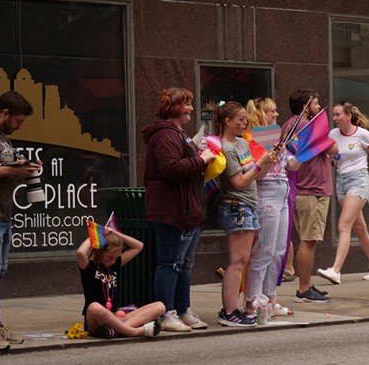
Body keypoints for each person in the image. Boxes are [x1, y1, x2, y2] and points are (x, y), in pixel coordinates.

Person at [142, 87, 218, 334]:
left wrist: (198, 153)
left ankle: (182, 310)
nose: (192, 109)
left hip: (187, 209)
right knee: (170, 263)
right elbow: (170, 169)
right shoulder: (164, 135)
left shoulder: (179, 133)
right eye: (187, 105)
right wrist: (201, 159)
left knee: (184, 263)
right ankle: (166, 313)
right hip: (173, 210)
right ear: (174, 108)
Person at [0, 90, 41, 350]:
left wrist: (24, 169)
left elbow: (3, 171)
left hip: (3, 215)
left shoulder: (2, 137)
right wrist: (13, 169)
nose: (20, 125)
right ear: (4, 113)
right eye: (18, 120)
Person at [214, 101, 279, 327]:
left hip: (248, 206)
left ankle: (233, 309)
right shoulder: (226, 147)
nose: (244, 123)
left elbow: (255, 176)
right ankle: (229, 311)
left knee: (243, 260)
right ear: (227, 121)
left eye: (245, 119)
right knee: (237, 261)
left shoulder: (242, 143)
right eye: (240, 119)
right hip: (236, 206)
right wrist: (260, 164)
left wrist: (268, 161)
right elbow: (239, 182)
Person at [317, 101, 369, 286]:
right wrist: (331, 160)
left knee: (343, 225)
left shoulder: (363, 134)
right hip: (341, 181)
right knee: (359, 228)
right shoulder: (333, 134)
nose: (334, 119)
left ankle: (335, 270)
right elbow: (333, 158)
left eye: (338, 115)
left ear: (348, 116)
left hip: (359, 181)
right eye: (333, 115)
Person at [244, 97, 299, 319]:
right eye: (271, 111)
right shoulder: (254, 140)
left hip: (282, 193)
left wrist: (303, 149)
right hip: (266, 193)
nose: (276, 115)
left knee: (278, 252)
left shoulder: (275, 138)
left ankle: (269, 297)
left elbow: (293, 165)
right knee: (264, 251)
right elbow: (258, 174)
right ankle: (253, 300)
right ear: (259, 114)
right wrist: (271, 156)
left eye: (276, 111)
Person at [284, 90, 332, 304]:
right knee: (309, 239)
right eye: (315, 103)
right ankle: (304, 288)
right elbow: (333, 147)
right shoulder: (308, 126)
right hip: (313, 188)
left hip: (300, 187)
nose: (318, 105)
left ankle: (307, 283)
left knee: (306, 237)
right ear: (306, 106)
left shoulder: (288, 125)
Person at [76, 225, 166, 338]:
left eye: (116, 258)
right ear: (100, 252)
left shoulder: (114, 266)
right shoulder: (89, 267)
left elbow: (139, 246)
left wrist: (115, 234)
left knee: (160, 306)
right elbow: (80, 253)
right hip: (96, 320)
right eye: (110, 257)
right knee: (94, 306)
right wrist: (96, 236)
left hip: (117, 317)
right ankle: (133, 331)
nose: (113, 261)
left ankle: (116, 330)